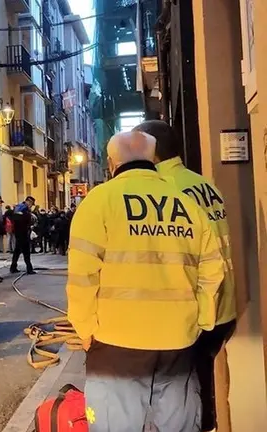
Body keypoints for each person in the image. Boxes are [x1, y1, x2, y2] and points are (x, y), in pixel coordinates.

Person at [67, 131, 225, 431]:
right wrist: (202, 320)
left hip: (116, 340)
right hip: (178, 337)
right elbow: (212, 270)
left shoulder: (99, 201)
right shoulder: (188, 205)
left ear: (112, 163)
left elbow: (82, 276)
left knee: (117, 423)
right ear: (154, 160)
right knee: (178, 419)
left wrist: (84, 327)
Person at [135, 120, 237, 432]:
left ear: (150, 153)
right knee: (202, 386)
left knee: (180, 398)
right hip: (223, 308)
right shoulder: (203, 184)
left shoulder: (163, 192)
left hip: (191, 314)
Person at [9, 196, 36, 274]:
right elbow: (24, 220)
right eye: (31, 204)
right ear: (28, 201)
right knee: (26, 251)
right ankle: (29, 268)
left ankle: (13, 267)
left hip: (18, 232)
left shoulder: (18, 207)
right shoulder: (24, 209)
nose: (31, 206)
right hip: (23, 232)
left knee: (17, 251)